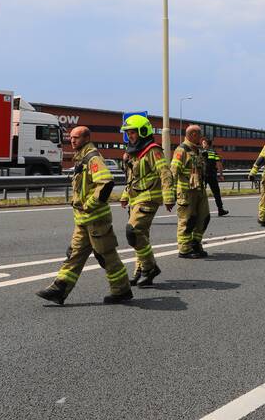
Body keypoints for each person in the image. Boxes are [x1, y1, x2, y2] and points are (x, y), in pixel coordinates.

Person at [36, 126, 132, 305]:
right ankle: (59, 289)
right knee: (74, 255)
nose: (72, 140)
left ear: (87, 138)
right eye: (71, 137)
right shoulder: (81, 158)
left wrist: (89, 205)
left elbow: (106, 183)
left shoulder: (92, 158)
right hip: (83, 221)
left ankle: (122, 290)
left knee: (107, 256)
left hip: (96, 220)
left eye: (76, 137)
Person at [120, 115, 175, 287]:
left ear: (143, 131)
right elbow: (132, 178)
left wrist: (168, 197)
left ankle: (150, 267)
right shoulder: (133, 152)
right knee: (141, 236)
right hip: (135, 198)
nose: (130, 136)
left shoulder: (153, 150)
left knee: (133, 232)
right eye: (128, 133)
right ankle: (141, 271)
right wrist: (124, 196)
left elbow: (165, 173)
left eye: (133, 133)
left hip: (149, 198)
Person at [172, 125, 210, 258]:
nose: (201, 138)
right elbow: (174, 172)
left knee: (203, 217)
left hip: (199, 190)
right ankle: (184, 249)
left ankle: (195, 243)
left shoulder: (197, 150)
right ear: (193, 134)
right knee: (187, 221)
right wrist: (171, 194)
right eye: (199, 135)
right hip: (186, 192)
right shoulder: (181, 150)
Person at [200, 137, 229, 217]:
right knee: (216, 193)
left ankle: (198, 211)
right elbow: (219, 164)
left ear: (207, 144)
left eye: (203, 143)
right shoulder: (214, 152)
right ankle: (220, 209)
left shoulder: (200, 152)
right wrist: (221, 175)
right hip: (212, 175)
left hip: (204, 175)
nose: (202, 144)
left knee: (200, 193)